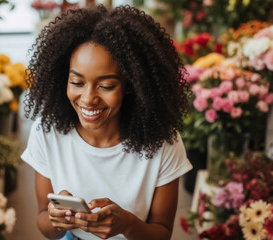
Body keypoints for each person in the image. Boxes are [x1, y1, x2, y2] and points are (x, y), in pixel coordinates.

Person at [22, 4, 193, 240]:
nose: (89, 98)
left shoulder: (163, 142)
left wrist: (128, 225)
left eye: (106, 85)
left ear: (131, 85)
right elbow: (44, 222)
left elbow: (162, 233)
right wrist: (56, 221)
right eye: (77, 82)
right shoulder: (46, 132)